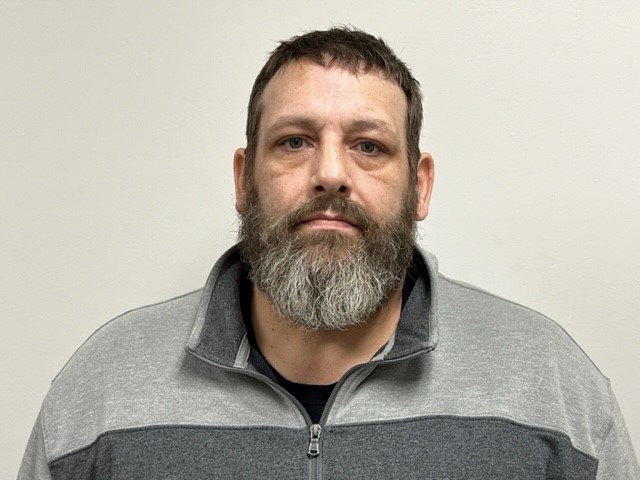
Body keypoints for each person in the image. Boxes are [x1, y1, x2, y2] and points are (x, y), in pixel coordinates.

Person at [17, 27, 638, 480]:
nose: (331, 174)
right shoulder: (102, 395)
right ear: (243, 180)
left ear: (420, 186)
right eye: (295, 141)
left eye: (369, 146)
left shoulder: (551, 389)